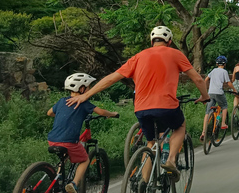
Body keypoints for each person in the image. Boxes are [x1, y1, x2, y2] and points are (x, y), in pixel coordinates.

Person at [67, 26, 209, 184]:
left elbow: (111, 78)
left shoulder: (138, 57)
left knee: (151, 143)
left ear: (151, 40)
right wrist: (205, 96)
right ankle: (171, 160)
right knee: (180, 126)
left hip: (141, 109)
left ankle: (143, 181)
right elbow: (197, 79)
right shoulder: (176, 54)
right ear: (169, 41)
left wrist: (85, 95)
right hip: (166, 106)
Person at [47, 73, 119, 193]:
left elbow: (49, 113)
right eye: (88, 87)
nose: (90, 90)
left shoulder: (61, 101)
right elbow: (101, 112)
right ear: (81, 89)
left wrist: (62, 114)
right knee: (84, 160)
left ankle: (58, 178)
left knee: (64, 157)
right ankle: (74, 184)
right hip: (69, 142)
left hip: (52, 140)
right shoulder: (83, 103)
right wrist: (113, 114)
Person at [201, 55, 234, 142]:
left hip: (210, 93)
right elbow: (228, 83)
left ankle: (203, 132)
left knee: (207, 112)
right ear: (225, 64)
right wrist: (234, 89)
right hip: (219, 92)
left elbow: (205, 80)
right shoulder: (224, 72)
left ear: (216, 63)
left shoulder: (213, 71)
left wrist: (205, 89)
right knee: (224, 106)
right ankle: (223, 123)